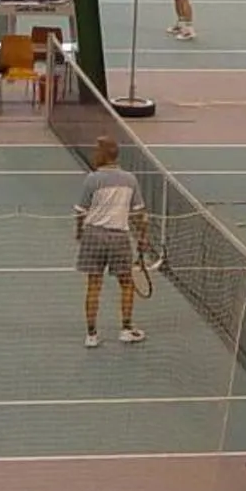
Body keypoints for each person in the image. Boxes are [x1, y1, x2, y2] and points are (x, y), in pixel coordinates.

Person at [75, 134, 149, 346]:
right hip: (119, 238)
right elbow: (140, 213)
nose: (93, 154)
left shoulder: (92, 179)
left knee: (93, 284)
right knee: (126, 284)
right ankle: (126, 330)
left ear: (102, 155)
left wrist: (79, 232)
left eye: (96, 151)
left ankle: (91, 336)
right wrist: (143, 238)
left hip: (93, 236)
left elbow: (80, 211)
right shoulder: (130, 179)